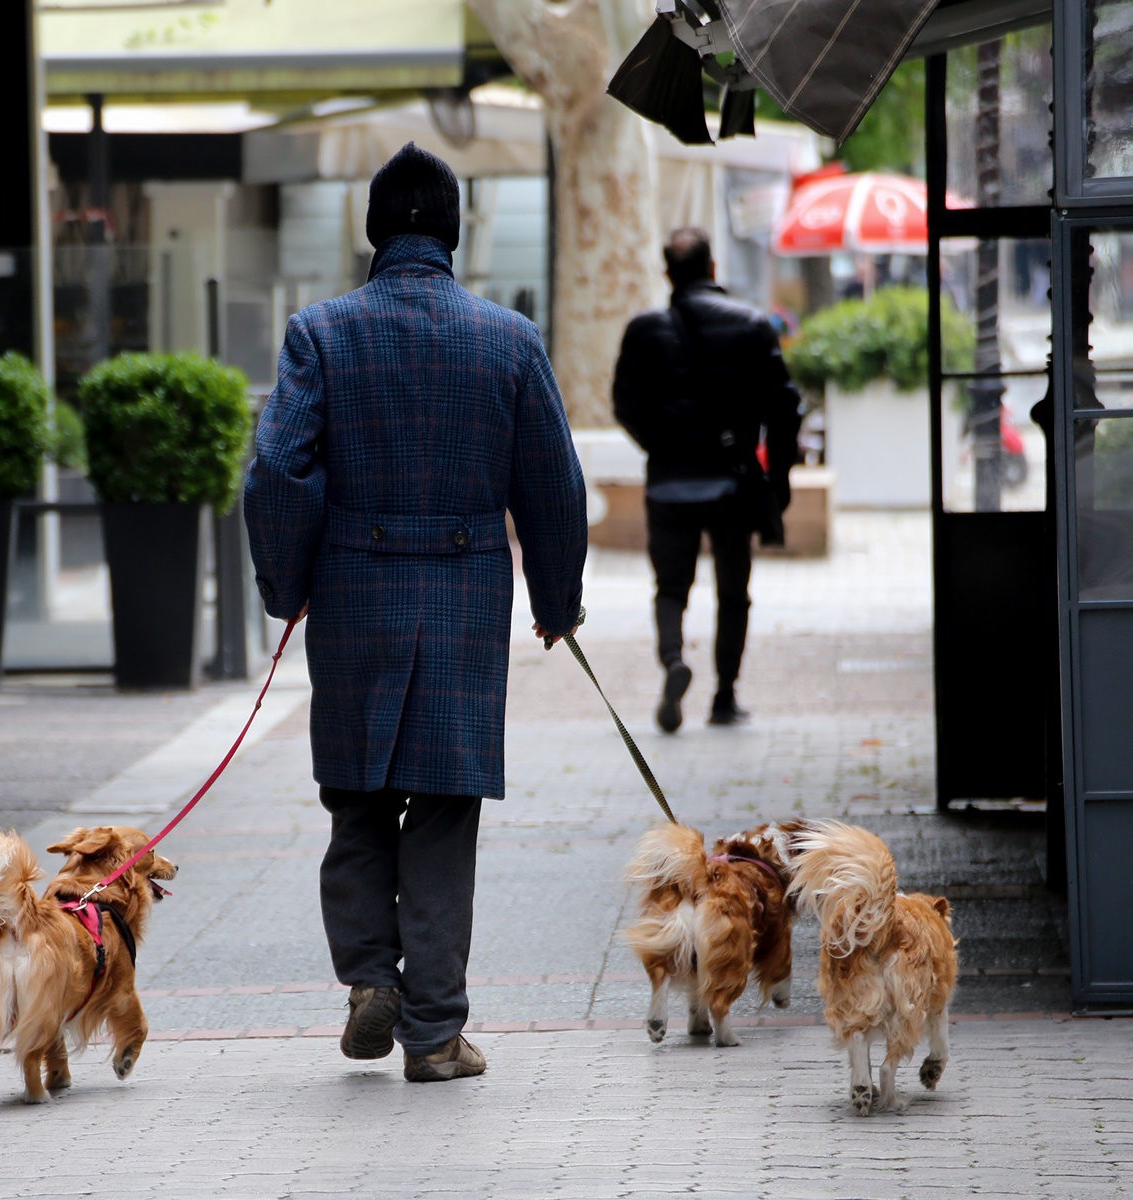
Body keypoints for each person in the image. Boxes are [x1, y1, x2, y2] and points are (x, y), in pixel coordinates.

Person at [244, 142, 587, 1083]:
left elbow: (277, 471)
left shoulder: (321, 332)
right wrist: (558, 599)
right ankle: (435, 1035)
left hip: (355, 598)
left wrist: (289, 583)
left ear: (371, 234)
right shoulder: (507, 339)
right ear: (453, 233)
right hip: (465, 600)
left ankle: (368, 980)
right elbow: (554, 486)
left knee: (356, 799)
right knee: (441, 812)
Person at [612, 227, 801, 732]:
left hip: (668, 482)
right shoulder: (753, 325)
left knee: (670, 586)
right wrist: (778, 480)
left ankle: (674, 659)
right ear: (713, 268)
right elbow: (784, 407)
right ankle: (723, 696)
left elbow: (624, 404)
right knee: (732, 590)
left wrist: (661, 445)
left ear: (667, 273)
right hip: (732, 481)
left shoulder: (642, 330)